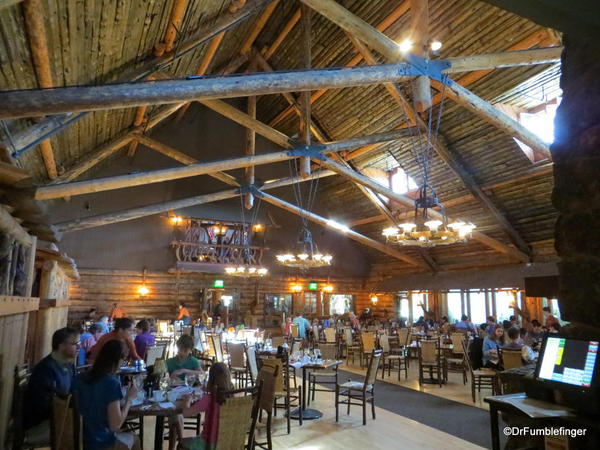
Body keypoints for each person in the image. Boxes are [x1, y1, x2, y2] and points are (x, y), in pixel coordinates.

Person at [74, 340, 141, 450]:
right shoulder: (111, 383)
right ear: (118, 360)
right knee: (135, 439)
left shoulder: (79, 378)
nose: (124, 363)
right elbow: (115, 425)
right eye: (124, 360)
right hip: (99, 443)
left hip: (76, 438)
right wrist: (129, 399)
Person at [24, 327, 80, 437]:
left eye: (80, 343)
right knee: (85, 430)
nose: (79, 347)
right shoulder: (45, 369)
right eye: (75, 343)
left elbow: (73, 391)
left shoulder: (68, 365)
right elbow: (42, 406)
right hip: (42, 423)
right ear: (61, 345)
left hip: (59, 415)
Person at [173, 362, 234, 450]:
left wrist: (187, 400)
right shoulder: (233, 398)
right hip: (227, 443)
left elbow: (185, 413)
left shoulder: (209, 399)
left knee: (181, 440)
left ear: (211, 379)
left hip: (208, 444)